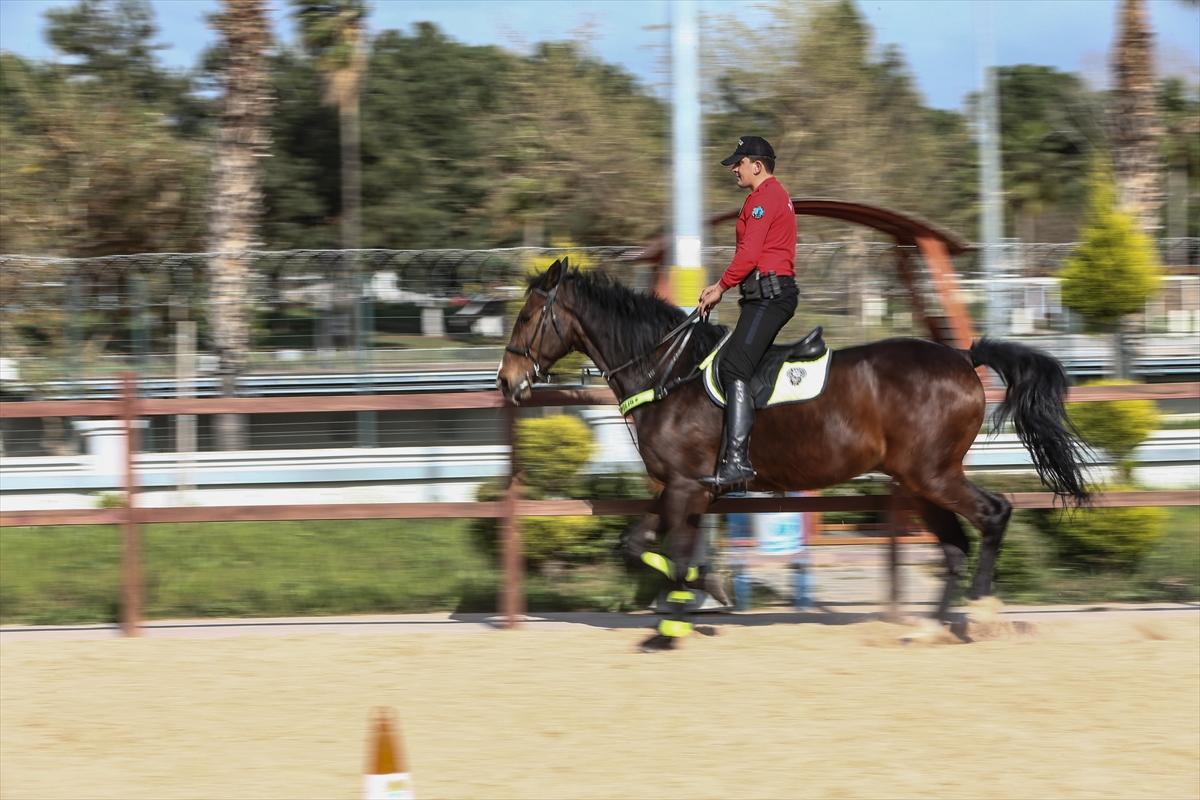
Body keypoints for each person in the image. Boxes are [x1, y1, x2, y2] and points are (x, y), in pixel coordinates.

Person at [697, 135, 798, 491]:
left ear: (757, 165)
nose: (734, 169)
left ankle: (737, 462)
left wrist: (719, 287)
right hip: (761, 296)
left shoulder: (764, 198)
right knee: (734, 361)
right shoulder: (765, 197)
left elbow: (750, 255)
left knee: (735, 366)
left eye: (738, 163)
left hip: (770, 296)